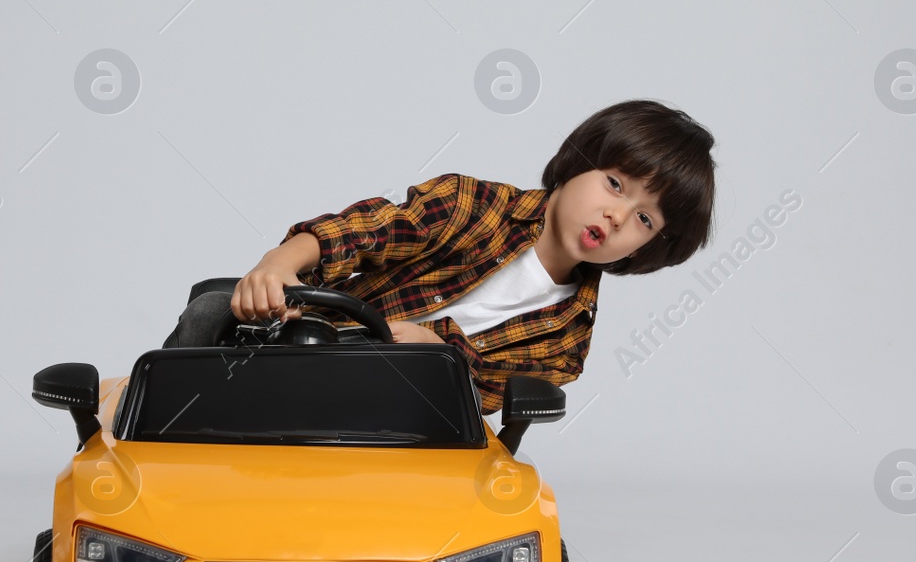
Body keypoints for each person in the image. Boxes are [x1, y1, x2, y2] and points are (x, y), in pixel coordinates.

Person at [162, 99, 717, 416]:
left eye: (645, 219)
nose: (618, 217)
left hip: (393, 420)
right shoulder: (471, 206)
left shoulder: (566, 342)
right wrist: (281, 262)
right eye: (615, 185)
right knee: (215, 310)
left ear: (649, 247)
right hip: (312, 347)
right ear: (577, 162)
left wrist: (445, 355)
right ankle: (151, 426)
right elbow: (370, 231)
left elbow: (490, 396)